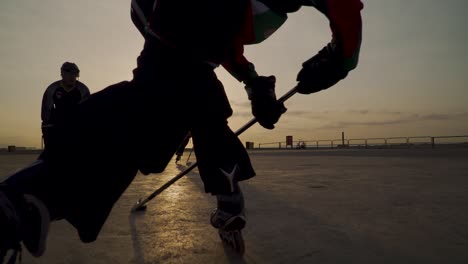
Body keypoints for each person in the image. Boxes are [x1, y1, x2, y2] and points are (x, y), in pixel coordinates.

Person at [0, 0, 363, 261]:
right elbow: (218, 40)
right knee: (171, 111)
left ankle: (33, 195)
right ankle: (29, 198)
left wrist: (256, 83)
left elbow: (219, 41)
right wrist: (341, 56)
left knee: (169, 109)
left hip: (184, 46)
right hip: (183, 44)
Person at [41, 62, 90, 149]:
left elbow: (88, 113)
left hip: (76, 127)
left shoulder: (83, 90)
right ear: (62, 74)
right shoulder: (52, 89)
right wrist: (47, 133)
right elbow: (46, 113)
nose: (72, 77)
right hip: (57, 127)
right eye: (69, 74)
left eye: (75, 75)